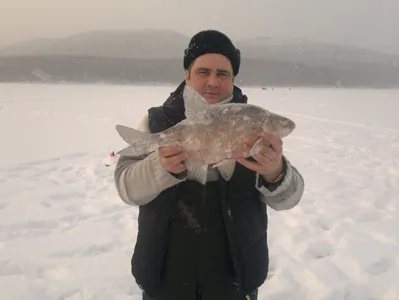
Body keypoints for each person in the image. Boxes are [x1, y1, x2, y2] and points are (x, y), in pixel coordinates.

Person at [114, 29, 305, 300]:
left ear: (233, 79)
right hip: (164, 279)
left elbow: (290, 199)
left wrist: (275, 172)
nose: (213, 81)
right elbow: (126, 188)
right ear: (187, 75)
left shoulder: (256, 125)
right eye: (203, 71)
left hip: (235, 281)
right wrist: (161, 168)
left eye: (223, 74)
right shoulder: (154, 122)